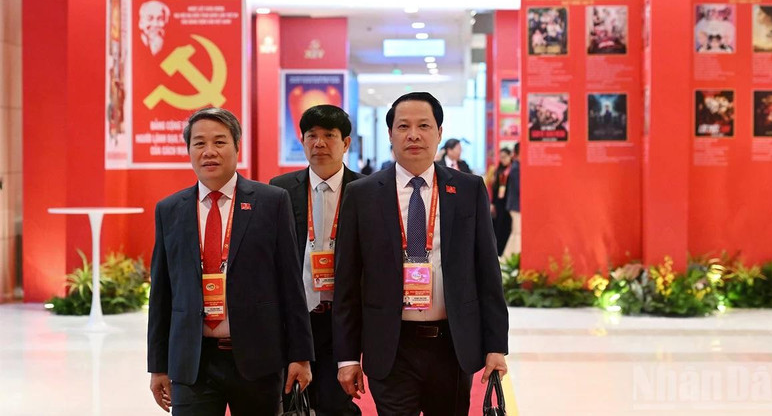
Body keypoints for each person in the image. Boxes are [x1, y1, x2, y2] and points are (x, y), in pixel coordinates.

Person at [333, 92, 509, 415]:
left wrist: (496, 345)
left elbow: (488, 272)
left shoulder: (469, 190)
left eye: (424, 125)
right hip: (391, 344)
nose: (413, 134)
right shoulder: (362, 195)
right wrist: (346, 357)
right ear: (390, 135)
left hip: (452, 345)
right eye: (403, 126)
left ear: (439, 133)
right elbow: (346, 282)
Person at [148, 107, 314, 415]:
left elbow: (291, 283)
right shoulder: (169, 209)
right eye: (199, 143)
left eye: (219, 142)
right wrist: (157, 366)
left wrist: (300, 355)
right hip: (193, 362)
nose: (209, 151)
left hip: (257, 359)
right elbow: (161, 294)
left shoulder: (271, 202)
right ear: (189, 151)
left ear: (237, 147)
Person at [269, 105, 362, 416]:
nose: (319, 143)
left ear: (346, 143)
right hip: (297, 317)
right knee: (291, 401)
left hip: (343, 319)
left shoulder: (365, 191)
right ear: (302, 140)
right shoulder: (279, 189)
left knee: (336, 403)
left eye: (329, 136)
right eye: (312, 136)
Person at [491, 148, 513, 255]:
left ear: (510, 156)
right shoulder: (499, 170)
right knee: (498, 227)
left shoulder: (513, 170)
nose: (503, 160)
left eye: (505, 157)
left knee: (508, 227)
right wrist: (492, 203)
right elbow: (494, 189)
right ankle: (498, 251)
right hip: (499, 203)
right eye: (501, 157)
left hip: (509, 202)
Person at [503, 142, 521, 259]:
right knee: (517, 233)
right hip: (516, 206)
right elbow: (520, 188)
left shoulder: (516, 166)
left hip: (516, 206)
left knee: (516, 233)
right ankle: (510, 259)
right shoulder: (516, 167)